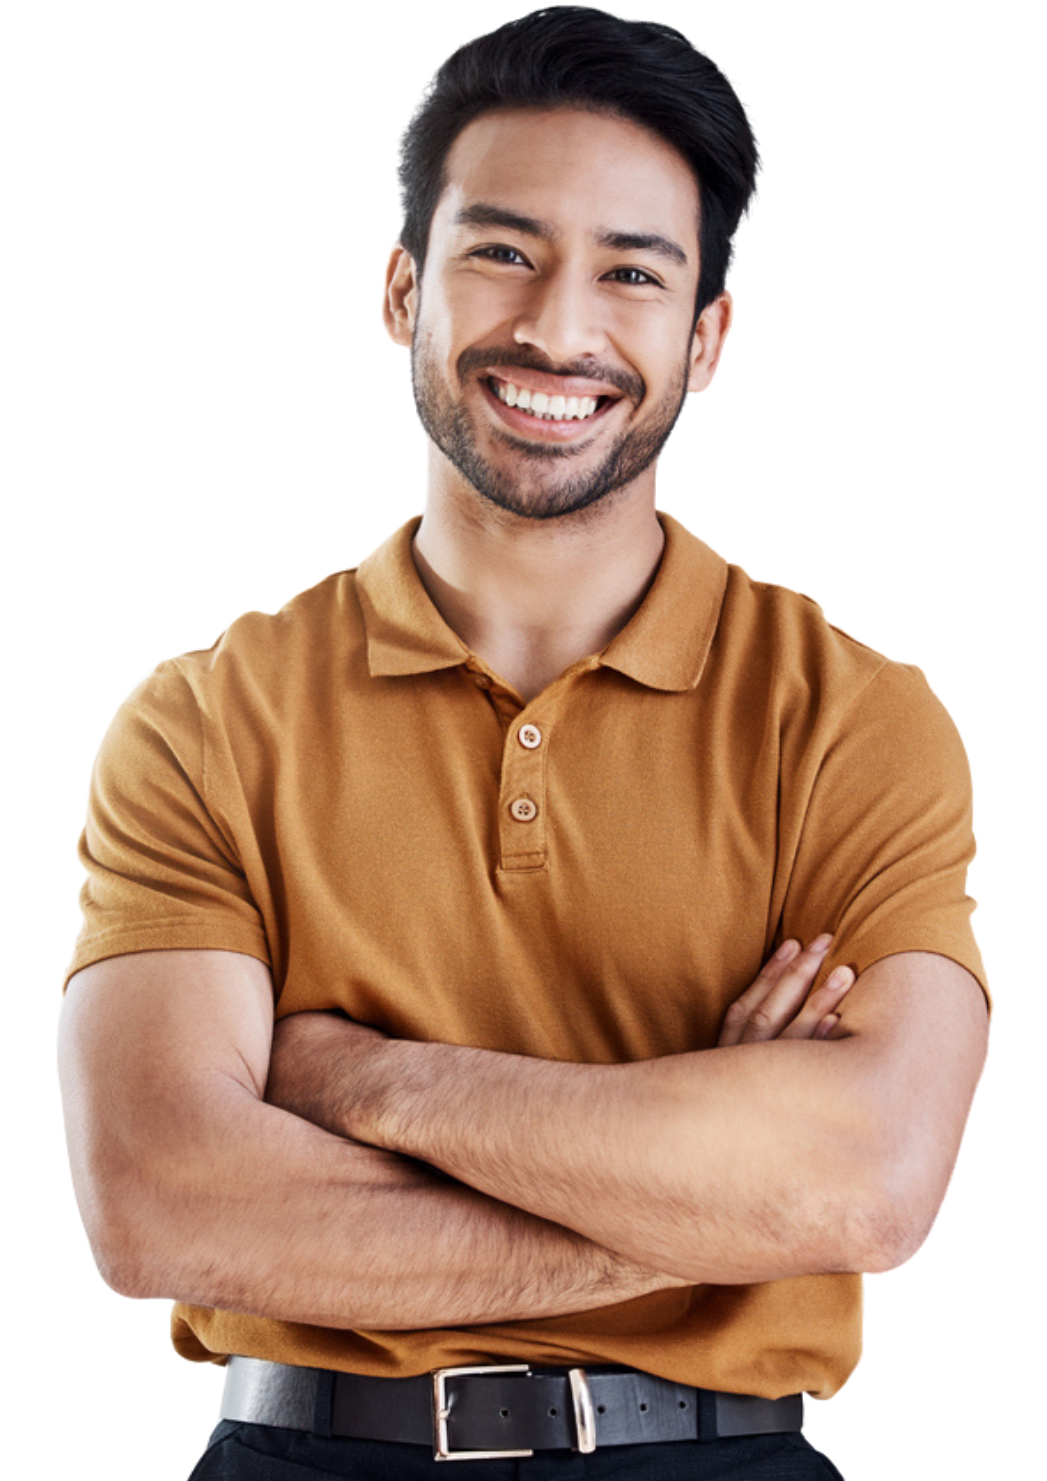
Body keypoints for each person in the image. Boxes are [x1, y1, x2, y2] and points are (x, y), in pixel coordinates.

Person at [56, 8, 991, 1479]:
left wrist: (366, 1082)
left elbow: (867, 1184)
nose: (558, 329)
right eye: (503, 251)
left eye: (632, 272)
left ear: (705, 340)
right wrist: (714, 1205)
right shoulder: (205, 720)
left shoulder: (853, 718)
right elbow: (163, 1208)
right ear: (401, 288)